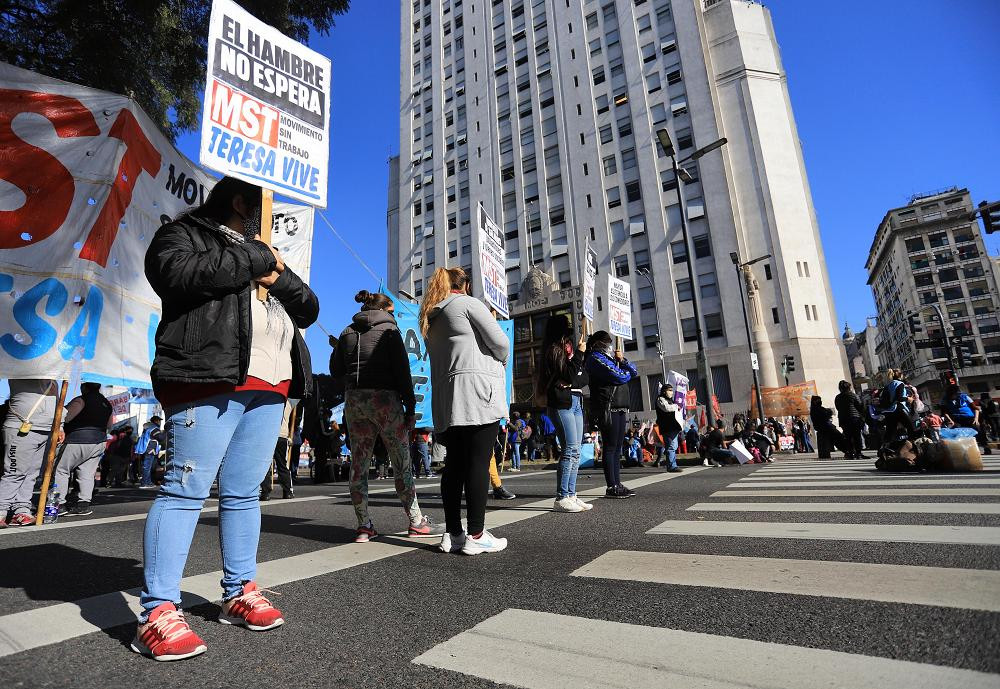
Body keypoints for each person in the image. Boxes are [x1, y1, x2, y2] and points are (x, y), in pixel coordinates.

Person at [134, 177, 318, 661]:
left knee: (243, 493)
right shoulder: (185, 234)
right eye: (264, 206)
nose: (273, 220)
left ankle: (238, 591)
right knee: (184, 489)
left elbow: (309, 307)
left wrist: (274, 271)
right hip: (208, 376)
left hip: (272, 383)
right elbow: (173, 276)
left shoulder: (268, 254)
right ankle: (156, 613)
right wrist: (257, 260)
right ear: (240, 202)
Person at [330, 289, 443, 542]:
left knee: (358, 463)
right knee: (401, 460)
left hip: (355, 401)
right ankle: (415, 521)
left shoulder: (347, 332)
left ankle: (364, 525)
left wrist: (341, 352)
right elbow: (403, 373)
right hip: (386, 401)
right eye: (392, 312)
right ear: (384, 311)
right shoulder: (390, 333)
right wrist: (411, 409)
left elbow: (335, 370)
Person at [420, 267, 510, 555]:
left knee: (455, 466)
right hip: (478, 393)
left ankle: (454, 532)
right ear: (466, 285)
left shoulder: (431, 318)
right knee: (478, 461)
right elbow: (501, 343)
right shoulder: (469, 304)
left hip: (448, 398)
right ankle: (477, 533)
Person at [536, 314, 590, 513]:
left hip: (575, 400)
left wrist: (573, 373)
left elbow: (583, 377)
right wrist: (579, 354)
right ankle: (562, 497)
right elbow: (568, 374)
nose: (570, 329)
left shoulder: (567, 348)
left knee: (576, 450)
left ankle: (571, 493)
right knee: (569, 449)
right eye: (566, 326)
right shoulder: (554, 350)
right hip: (561, 403)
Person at [585, 331, 637, 498]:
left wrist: (623, 360)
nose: (610, 346)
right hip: (608, 407)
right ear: (600, 343)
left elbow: (633, 371)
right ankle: (611, 485)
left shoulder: (610, 359)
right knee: (610, 447)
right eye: (607, 343)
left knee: (618, 448)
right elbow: (620, 376)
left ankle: (617, 482)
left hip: (620, 406)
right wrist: (625, 372)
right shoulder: (595, 358)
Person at [0, 379, 59, 527]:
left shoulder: (53, 380)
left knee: (31, 473)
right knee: (14, 472)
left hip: (45, 429)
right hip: (21, 426)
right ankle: (1, 510)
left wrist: (61, 426)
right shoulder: (22, 367)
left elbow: (57, 404)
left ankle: (21, 510)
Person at [50, 382, 113, 516]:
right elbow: (109, 424)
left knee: (61, 470)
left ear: (85, 387)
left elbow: (65, 417)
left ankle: (59, 504)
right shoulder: (107, 403)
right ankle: (83, 504)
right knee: (87, 473)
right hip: (99, 441)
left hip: (77, 439)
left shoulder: (81, 399)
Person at [260, 401, 298, 500]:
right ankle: (287, 491)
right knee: (282, 465)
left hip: (268, 434)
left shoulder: (268, 400)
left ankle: (265, 492)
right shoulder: (288, 402)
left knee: (265, 465)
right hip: (282, 435)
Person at [941, 384, 991, 453]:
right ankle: (962, 450)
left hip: (970, 418)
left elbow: (976, 409)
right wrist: (950, 421)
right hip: (956, 420)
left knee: (978, 430)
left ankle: (986, 447)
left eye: (955, 394)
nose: (953, 396)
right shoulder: (944, 400)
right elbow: (944, 412)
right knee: (957, 433)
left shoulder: (965, 397)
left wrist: (976, 419)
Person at [834, 381, 867, 459]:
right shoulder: (853, 395)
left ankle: (850, 453)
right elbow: (860, 407)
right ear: (849, 387)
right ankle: (858, 453)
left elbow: (838, 408)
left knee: (848, 436)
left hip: (843, 419)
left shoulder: (838, 397)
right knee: (857, 436)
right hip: (854, 418)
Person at [655, 384, 684, 473]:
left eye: (672, 390)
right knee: (671, 446)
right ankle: (671, 466)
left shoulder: (670, 400)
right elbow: (667, 408)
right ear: (664, 391)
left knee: (673, 446)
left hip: (673, 426)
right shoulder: (660, 399)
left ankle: (672, 464)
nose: (671, 392)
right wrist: (676, 406)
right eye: (669, 390)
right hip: (667, 427)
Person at [134, 415, 163, 488]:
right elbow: (160, 438)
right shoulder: (154, 429)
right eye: (159, 421)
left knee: (148, 467)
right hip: (150, 449)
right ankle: (144, 483)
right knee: (147, 467)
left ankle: (148, 482)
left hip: (146, 449)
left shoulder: (148, 428)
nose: (160, 422)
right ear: (156, 421)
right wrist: (164, 433)